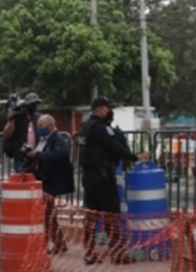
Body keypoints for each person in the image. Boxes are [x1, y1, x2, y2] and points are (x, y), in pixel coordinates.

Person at [78, 96, 148, 265]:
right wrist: (134, 156)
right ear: (101, 109)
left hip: (88, 177)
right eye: (107, 108)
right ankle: (118, 254)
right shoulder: (101, 128)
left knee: (91, 216)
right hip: (102, 177)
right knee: (112, 215)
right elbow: (115, 148)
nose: (109, 111)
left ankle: (89, 253)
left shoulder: (84, 128)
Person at [25, 113, 74, 255]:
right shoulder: (43, 140)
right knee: (48, 214)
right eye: (39, 126)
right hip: (44, 179)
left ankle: (57, 243)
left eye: (42, 126)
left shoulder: (57, 139)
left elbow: (59, 155)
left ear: (51, 126)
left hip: (52, 181)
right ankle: (58, 242)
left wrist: (38, 155)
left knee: (48, 214)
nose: (40, 129)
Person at [3, 92, 42, 173]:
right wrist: (12, 117)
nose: (34, 106)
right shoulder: (18, 117)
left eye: (36, 104)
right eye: (32, 104)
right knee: (22, 182)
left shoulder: (38, 117)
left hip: (36, 156)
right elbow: (7, 134)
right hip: (21, 157)